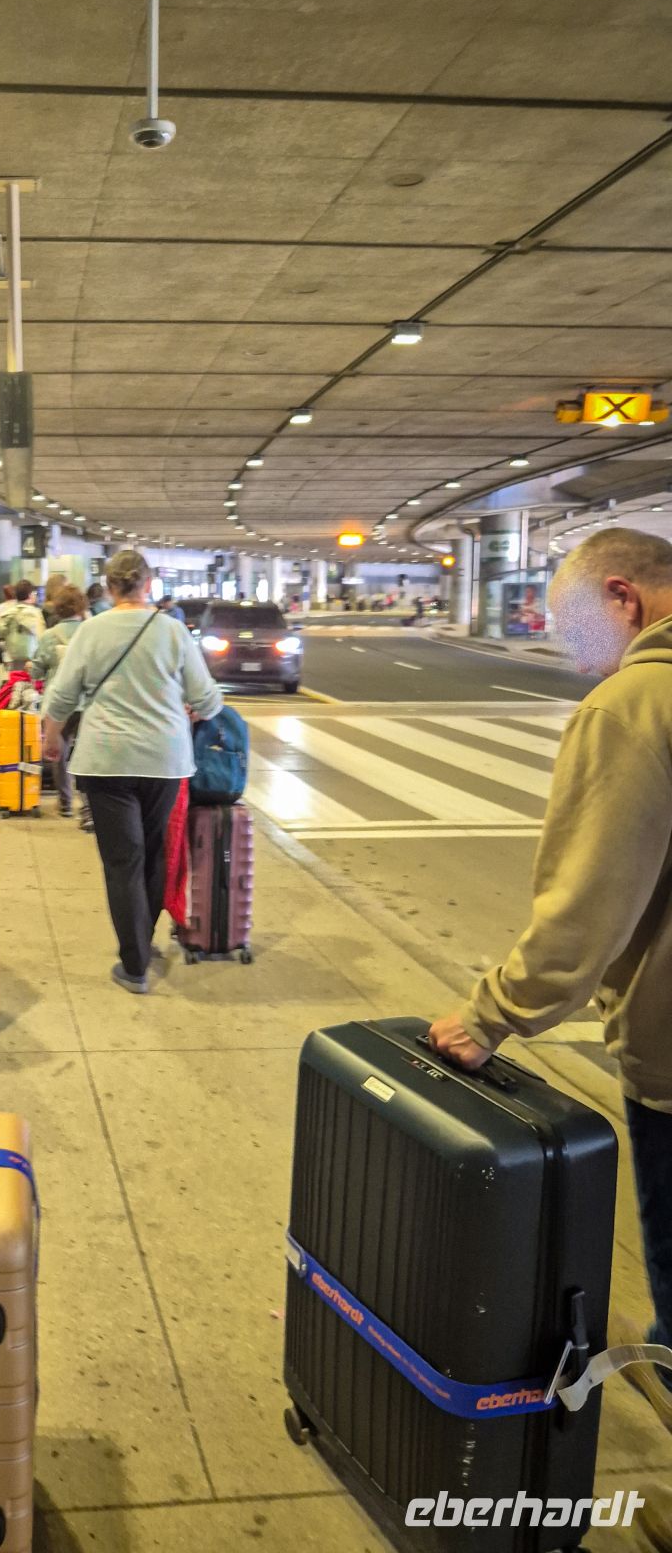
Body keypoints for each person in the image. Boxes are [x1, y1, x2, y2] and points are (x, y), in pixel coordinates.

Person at [427, 529, 672, 1551]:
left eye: (573, 629)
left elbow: (586, 909)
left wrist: (490, 1016)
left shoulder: (637, 702)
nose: (572, 653)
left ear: (623, 598)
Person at [41, 549, 223, 995]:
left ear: (108, 586)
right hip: (164, 762)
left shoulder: (91, 631)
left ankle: (135, 962)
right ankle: (143, 940)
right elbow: (209, 700)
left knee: (123, 860)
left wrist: (50, 739)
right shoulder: (174, 631)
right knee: (157, 852)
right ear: (148, 583)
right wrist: (185, 716)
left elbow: (62, 696)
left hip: (105, 762)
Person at [31, 583, 89, 819]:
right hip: (87, 702)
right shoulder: (91, 631)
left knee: (58, 753)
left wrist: (33, 667)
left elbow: (36, 671)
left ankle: (65, 803)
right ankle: (87, 806)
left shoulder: (49, 636)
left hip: (57, 705)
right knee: (86, 754)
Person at [0, 577, 45, 666]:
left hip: (11, 658)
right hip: (31, 660)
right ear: (30, 594)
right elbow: (41, 636)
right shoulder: (36, 613)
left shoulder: (7, 613)